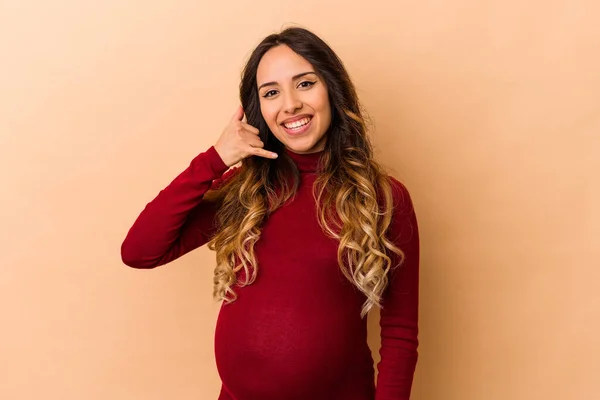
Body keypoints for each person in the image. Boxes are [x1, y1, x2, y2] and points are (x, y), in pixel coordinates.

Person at [121, 26, 419, 400]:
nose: (290, 104)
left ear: (332, 88)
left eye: (305, 83)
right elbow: (139, 251)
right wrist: (213, 160)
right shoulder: (245, 190)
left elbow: (400, 334)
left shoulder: (381, 197)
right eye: (272, 93)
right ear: (258, 109)